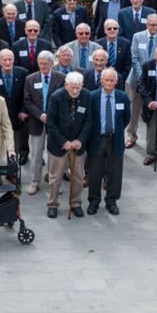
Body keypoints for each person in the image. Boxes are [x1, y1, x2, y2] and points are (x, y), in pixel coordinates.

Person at [44, 72, 93, 219]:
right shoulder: (56, 97)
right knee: (55, 177)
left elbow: (88, 121)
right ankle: (52, 204)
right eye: (72, 87)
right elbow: (51, 123)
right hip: (58, 145)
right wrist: (63, 141)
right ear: (66, 85)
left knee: (78, 176)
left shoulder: (86, 96)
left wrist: (80, 140)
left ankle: (76, 203)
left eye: (78, 87)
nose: (75, 91)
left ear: (82, 85)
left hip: (78, 146)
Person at [86, 68, 129, 215]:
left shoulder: (123, 97)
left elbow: (126, 118)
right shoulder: (92, 97)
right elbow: (89, 119)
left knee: (115, 173)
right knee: (95, 172)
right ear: (101, 81)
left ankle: (111, 201)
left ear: (116, 81)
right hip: (97, 140)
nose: (109, 83)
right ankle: (94, 201)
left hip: (115, 140)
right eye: (106, 80)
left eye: (112, 80)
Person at [127, 14, 157, 150]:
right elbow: (134, 59)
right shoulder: (137, 37)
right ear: (147, 24)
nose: (154, 27)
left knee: (154, 112)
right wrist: (142, 78)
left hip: (156, 82)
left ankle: (152, 141)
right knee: (135, 109)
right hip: (137, 80)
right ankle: (132, 135)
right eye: (152, 25)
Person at [23, 52, 61, 194]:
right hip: (36, 122)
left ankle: (54, 182)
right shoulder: (30, 79)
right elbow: (27, 101)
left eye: (46, 63)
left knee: (54, 155)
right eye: (41, 63)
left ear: (52, 63)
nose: (43, 66)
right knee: (36, 154)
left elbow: (62, 100)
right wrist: (40, 115)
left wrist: (50, 116)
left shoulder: (60, 78)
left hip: (55, 122)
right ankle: (34, 182)